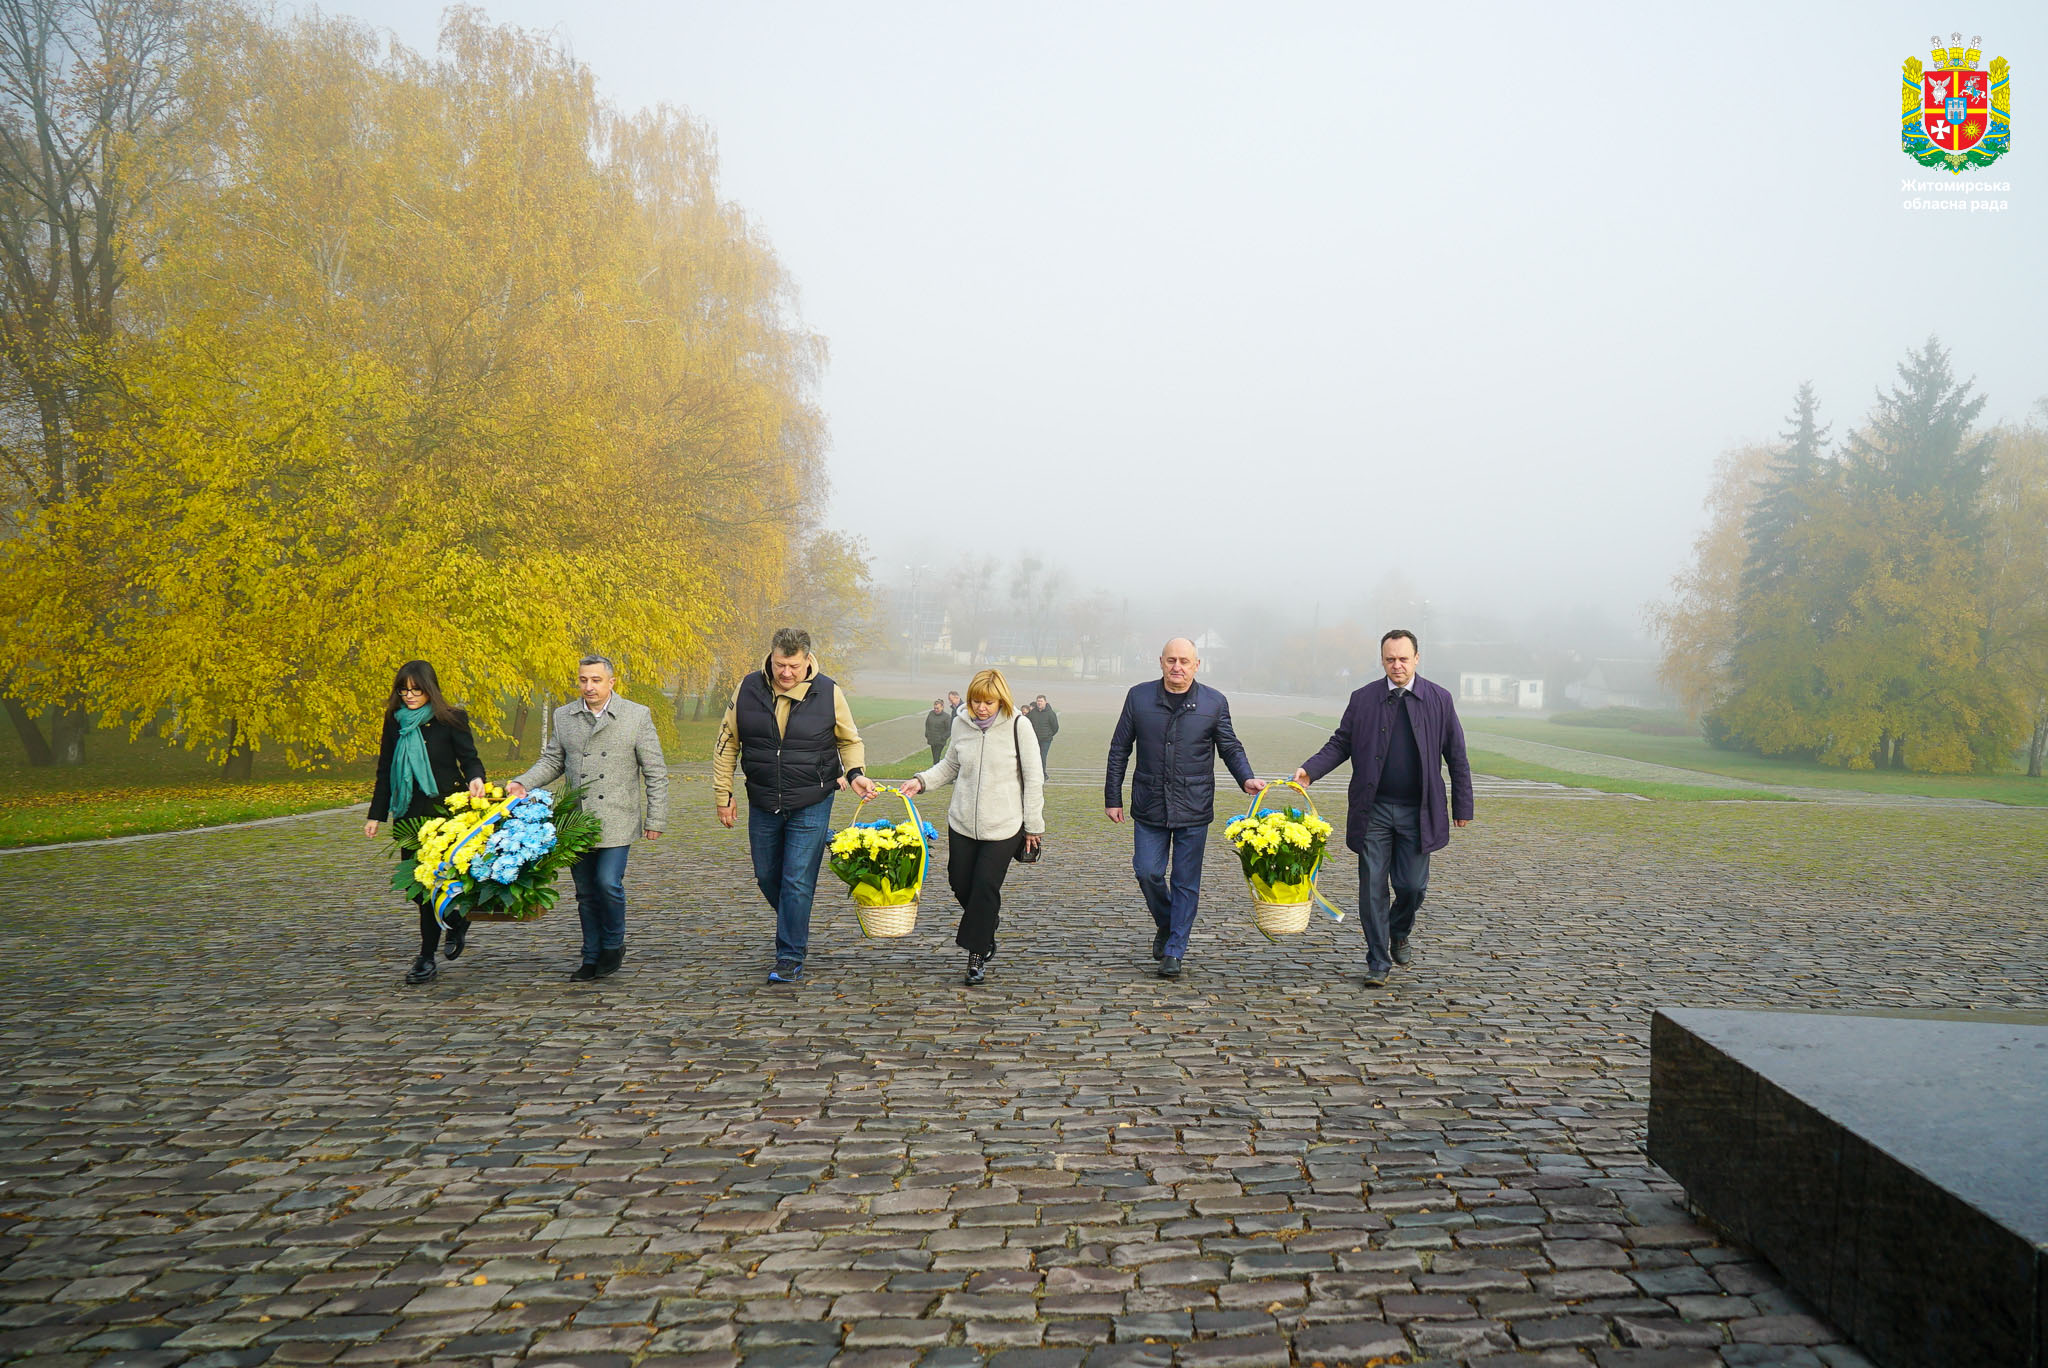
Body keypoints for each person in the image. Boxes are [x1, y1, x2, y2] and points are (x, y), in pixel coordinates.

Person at [1293, 629, 1474, 988]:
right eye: (1390, 659)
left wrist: (1463, 803)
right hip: (1372, 810)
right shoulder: (1363, 699)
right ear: (1382, 660)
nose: (1397, 665)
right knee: (1372, 886)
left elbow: (1456, 755)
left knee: (1412, 887)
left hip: (1419, 812)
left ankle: (1399, 930)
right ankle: (1377, 960)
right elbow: (1341, 742)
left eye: (1404, 658)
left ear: (1417, 659)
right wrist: (1310, 770)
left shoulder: (1439, 699)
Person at [713, 627, 879, 983]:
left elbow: (849, 740)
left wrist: (856, 774)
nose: (785, 673)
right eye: (779, 665)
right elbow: (727, 743)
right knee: (766, 875)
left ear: (808, 661)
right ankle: (795, 917)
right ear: (770, 658)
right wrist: (723, 794)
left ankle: (789, 955)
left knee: (797, 880)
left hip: (811, 799)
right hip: (763, 799)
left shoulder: (829, 692)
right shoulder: (747, 688)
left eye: (793, 666)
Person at [1105, 638, 1266, 979]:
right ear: (1160, 661)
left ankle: (1175, 950)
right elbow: (1120, 747)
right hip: (1149, 804)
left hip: (1194, 806)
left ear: (1196, 665)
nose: (1177, 667)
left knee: (1185, 881)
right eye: (1171, 660)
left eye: (1184, 661)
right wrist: (1112, 796)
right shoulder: (1138, 696)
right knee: (1147, 871)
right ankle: (1167, 923)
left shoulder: (1214, 702)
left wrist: (1246, 778)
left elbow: (1230, 747)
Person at [507, 655, 669, 981]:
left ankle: (613, 945)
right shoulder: (564, 716)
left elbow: (655, 771)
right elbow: (553, 760)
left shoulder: (636, 716)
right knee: (584, 892)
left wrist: (656, 819)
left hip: (617, 817)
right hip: (577, 820)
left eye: (595, 680)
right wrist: (522, 782)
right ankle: (591, 955)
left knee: (608, 883)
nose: (589, 686)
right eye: (583, 680)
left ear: (612, 682)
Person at [902, 669, 1044, 985]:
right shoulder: (960, 723)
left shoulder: (1020, 726)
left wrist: (1033, 824)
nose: (981, 708)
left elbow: (1034, 777)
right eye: (976, 701)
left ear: (1002, 700)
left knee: (984, 886)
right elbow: (951, 765)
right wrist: (921, 781)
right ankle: (987, 922)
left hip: (1005, 826)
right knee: (959, 881)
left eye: (989, 702)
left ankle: (977, 954)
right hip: (962, 821)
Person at [365, 661, 488, 985]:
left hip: (446, 813)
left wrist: (476, 779)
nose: (409, 696)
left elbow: (470, 758)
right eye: (403, 690)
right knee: (421, 890)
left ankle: (442, 937)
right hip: (409, 815)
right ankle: (434, 945)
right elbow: (385, 768)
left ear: (429, 689)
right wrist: (377, 814)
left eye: (415, 690)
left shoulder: (452, 718)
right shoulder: (395, 722)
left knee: (443, 882)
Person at [1030, 694, 1060, 771]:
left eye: (1041, 701)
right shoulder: (1033, 712)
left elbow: (1055, 727)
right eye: (1038, 701)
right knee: (1034, 757)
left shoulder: (1050, 713)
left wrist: (1048, 735)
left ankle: (1042, 774)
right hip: (1034, 740)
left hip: (1045, 740)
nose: (1039, 703)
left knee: (1042, 757)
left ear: (1045, 702)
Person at [924, 698, 952, 764]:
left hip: (940, 742)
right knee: (935, 757)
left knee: (936, 757)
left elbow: (949, 730)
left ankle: (935, 771)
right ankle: (936, 769)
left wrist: (942, 738)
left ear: (942, 707)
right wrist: (927, 734)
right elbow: (927, 724)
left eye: (937, 708)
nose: (936, 710)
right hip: (932, 740)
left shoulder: (946, 717)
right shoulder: (931, 713)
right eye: (935, 708)